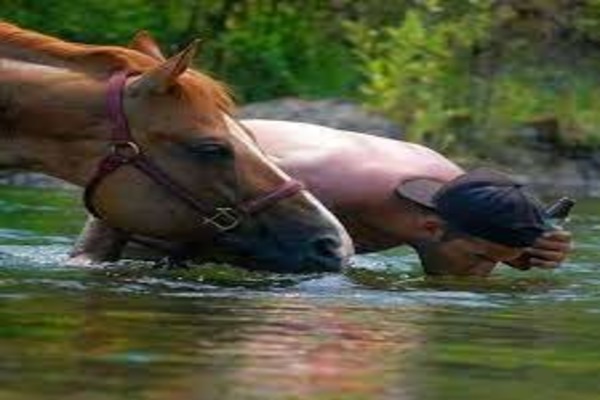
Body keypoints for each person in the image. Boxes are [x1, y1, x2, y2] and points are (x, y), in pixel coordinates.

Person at [69, 120, 572, 276]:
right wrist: (90, 261)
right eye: (482, 260)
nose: (482, 275)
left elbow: (490, 232)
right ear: (430, 228)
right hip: (173, 182)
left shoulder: (468, 202)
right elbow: (159, 173)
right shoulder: (321, 182)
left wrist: (525, 251)